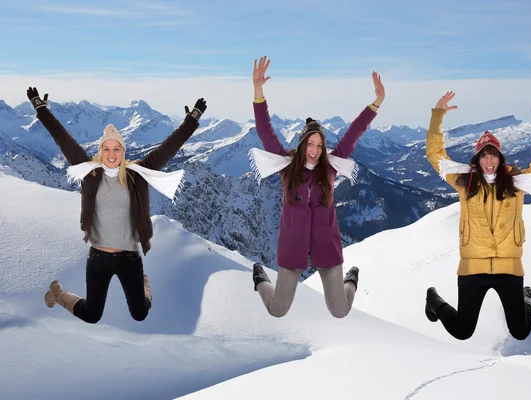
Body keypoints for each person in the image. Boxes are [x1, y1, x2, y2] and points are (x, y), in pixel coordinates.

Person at [27, 87, 206, 323]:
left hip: (129, 258)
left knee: (140, 313)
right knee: (92, 315)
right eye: (106, 148)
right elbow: (63, 139)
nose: (111, 154)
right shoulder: (89, 172)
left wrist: (191, 122)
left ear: (123, 151)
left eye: (116, 148)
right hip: (98, 257)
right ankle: (58, 294)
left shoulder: (137, 174)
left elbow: (168, 149)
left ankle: (143, 283)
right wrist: (41, 109)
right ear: (100, 151)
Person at [248, 56, 385, 318]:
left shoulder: (330, 168)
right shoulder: (288, 168)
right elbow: (265, 131)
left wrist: (376, 103)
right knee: (277, 310)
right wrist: (258, 91)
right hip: (293, 248)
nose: (314, 150)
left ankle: (351, 279)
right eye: (310, 145)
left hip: (326, 248)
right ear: (302, 146)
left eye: (319, 145)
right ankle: (260, 278)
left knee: (340, 311)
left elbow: (354, 132)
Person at [424, 91, 531, 340]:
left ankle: (528, 298)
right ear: (478, 158)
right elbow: (436, 157)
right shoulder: (465, 183)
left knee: (520, 331)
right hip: (472, 267)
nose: (489, 160)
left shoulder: (517, 183)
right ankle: (433, 301)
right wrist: (437, 116)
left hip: (509, 266)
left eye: (493, 154)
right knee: (463, 331)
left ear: (500, 158)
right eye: (484, 155)